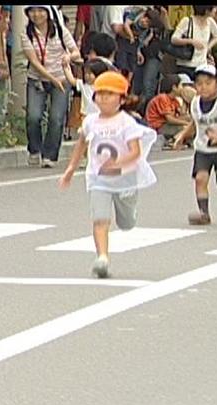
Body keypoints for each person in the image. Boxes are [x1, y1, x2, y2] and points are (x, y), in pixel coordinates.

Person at [58, 71, 157, 278]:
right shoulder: (90, 121)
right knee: (100, 218)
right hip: (98, 177)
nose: (103, 98)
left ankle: (130, 212)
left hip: (125, 178)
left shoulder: (127, 123)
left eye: (110, 94)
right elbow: (81, 145)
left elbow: (135, 152)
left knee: (126, 222)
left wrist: (117, 164)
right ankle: (102, 257)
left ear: (122, 99)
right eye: (100, 94)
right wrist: (70, 169)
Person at [172, 64, 217, 225]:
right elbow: (195, 122)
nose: (203, 87)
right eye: (199, 83)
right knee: (200, 178)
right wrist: (182, 135)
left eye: (208, 83)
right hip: (203, 149)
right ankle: (204, 213)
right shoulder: (195, 103)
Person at [21, 5, 81, 168]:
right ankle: (34, 150)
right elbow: (33, 61)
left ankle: (50, 155)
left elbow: (76, 52)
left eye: (40, 10)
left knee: (56, 118)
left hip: (62, 78)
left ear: (48, 13)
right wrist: (52, 79)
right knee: (33, 117)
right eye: (32, 11)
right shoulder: (26, 34)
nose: (36, 14)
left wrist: (68, 56)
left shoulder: (61, 31)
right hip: (37, 79)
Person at [171, 6, 217, 80]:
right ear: (206, 10)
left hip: (202, 64)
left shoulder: (210, 21)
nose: (215, 11)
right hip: (186, 64)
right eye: (214, 8)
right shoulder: (187, 21)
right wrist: (191, 41)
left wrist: (208, 47)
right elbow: (174, 39)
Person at [145, 74, 191, 149]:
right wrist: (186, 123)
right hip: (158, 126)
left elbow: (182, 115)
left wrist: (185, 101)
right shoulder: (163, 98)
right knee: (185, 127)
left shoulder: (175, 100)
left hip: (166, 124)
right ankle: (173, 141)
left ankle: (179, 139)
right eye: (180, 86)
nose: (182, 88)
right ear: (174, 87)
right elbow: (170, 119)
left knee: (189, 121)